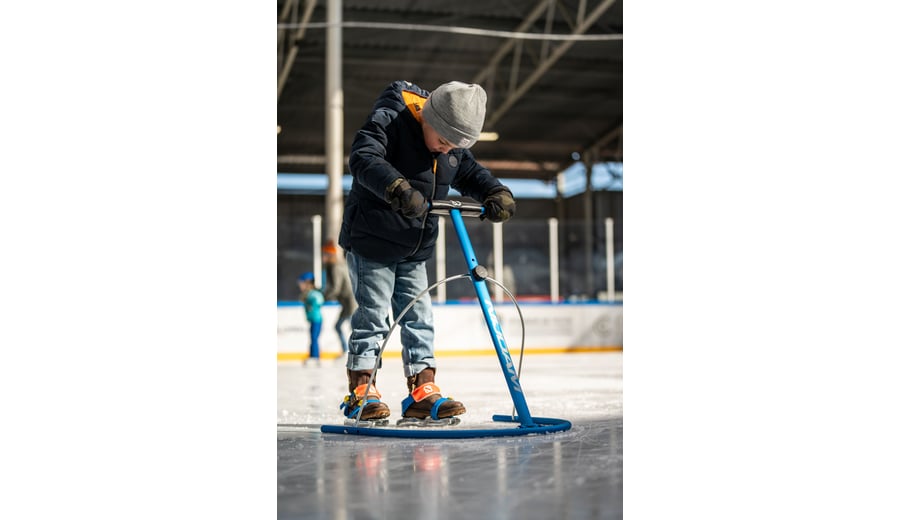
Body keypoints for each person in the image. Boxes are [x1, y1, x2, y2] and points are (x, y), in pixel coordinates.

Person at [337, 80, 517, 424]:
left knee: (420, 318)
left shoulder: (449, 145)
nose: (446, 150)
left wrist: (495, 191)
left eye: (454, 146)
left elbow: (469, 171)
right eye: (444, 141)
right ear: (428, 118)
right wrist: (396, 188)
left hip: (415, 247)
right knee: (374, 316)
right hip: (372, 240)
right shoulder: (392, 118)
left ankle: (423, 390)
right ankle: (361, 389)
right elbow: (363, 156)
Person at [321, 239, 357, 354]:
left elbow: (335, 288)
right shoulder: (340, 265)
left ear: (329, 255)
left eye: (324, 255)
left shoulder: (334, 267)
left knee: (350, 328)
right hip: (349, 302)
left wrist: (323, 297)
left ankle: (351, 351)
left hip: (350, 303)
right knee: (346, 327)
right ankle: (350, 350)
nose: (322, 257)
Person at [297, 272, 324, 365]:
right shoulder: (307, 294)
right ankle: (312, 356)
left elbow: (319, 300)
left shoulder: (314, 294)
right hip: (313, 320)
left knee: (314, 338)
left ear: (308, 283)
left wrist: (311, 301)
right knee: (312, 338)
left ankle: (315, 357)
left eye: (302, 283)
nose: (300, 286)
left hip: (317, 320)